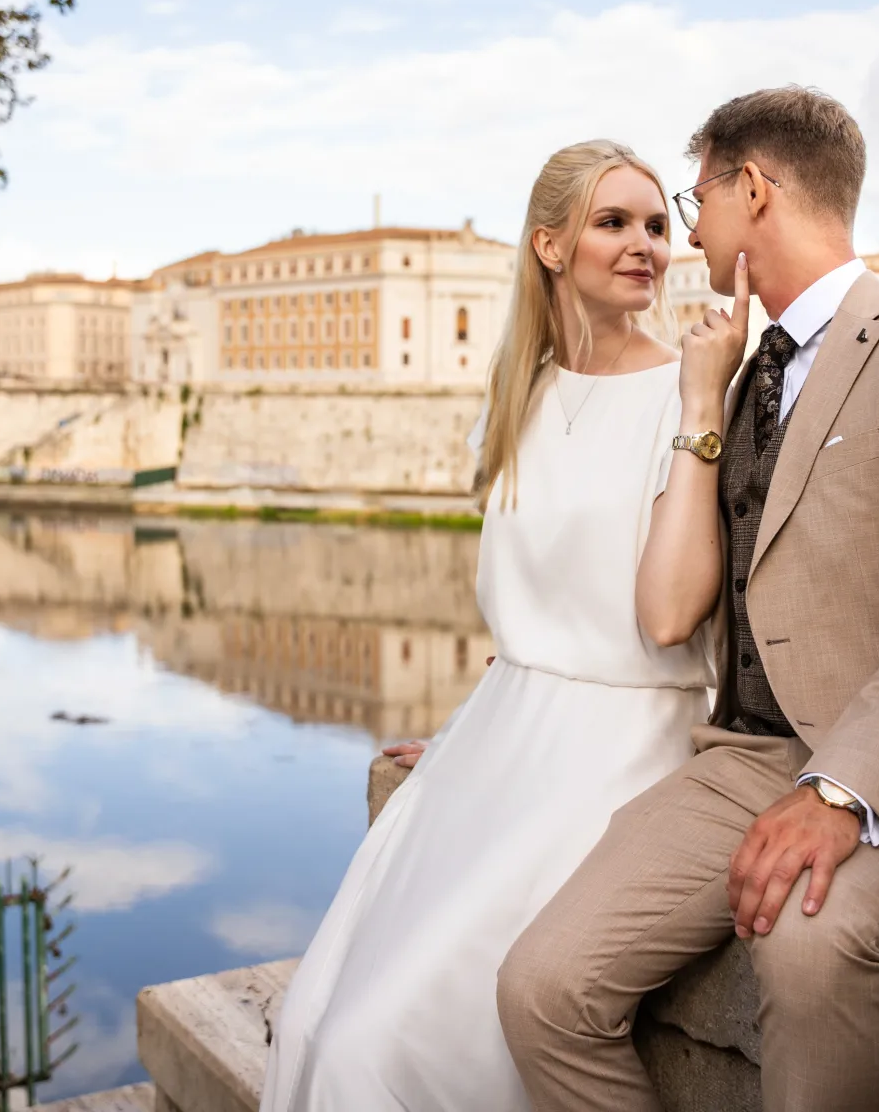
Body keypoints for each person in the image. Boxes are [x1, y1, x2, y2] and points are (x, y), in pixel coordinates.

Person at [497, 87, 879, 1112]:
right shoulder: (743, 366)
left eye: (695, 199)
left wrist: (842, 790)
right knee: (542, 989)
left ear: (751, 188)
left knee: (806, 938)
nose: (686, 231)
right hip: (738, 762)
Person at [259, 140, 714, 1112]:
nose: (645, 243)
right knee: (309, 1022)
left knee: (373, 1045)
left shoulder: (690, 392)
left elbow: (674, 617)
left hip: (622, 747)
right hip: (503, 732)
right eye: (613, 222)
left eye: (656, 223)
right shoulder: (516, 396)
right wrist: (474, 733)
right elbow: (530, 611)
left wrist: (704, 404)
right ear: (550, 245)